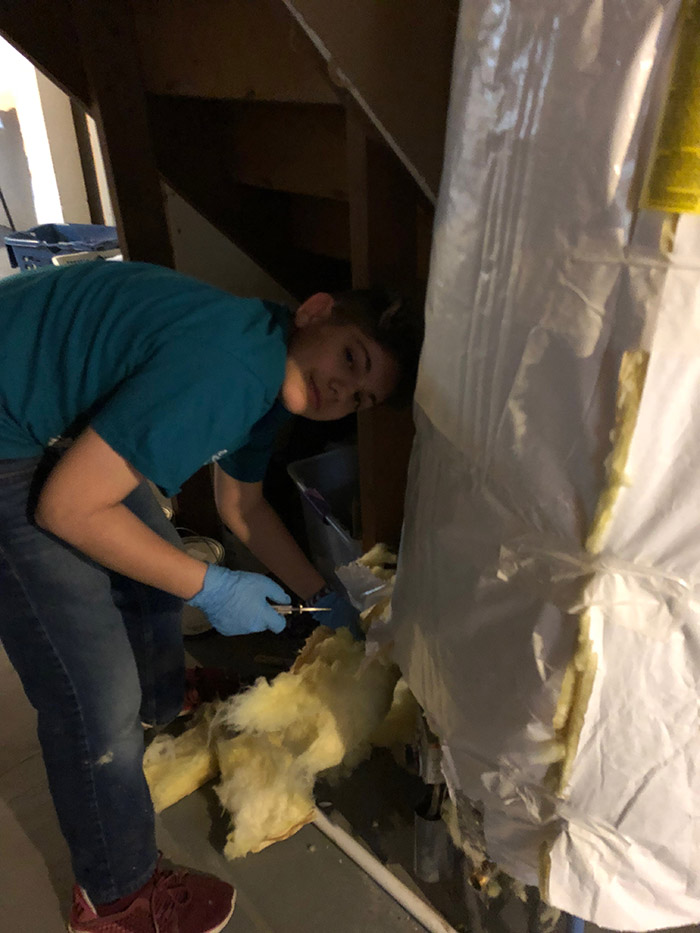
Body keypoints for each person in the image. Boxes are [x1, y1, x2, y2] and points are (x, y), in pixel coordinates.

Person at [0, 258, 422, 933]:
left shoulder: (267, 365)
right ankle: (116, 898)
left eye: (361, 397)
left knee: (150, 565)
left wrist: (323, 597)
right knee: (94, 689)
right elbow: (67, 508)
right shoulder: (234, 367)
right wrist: (212, 585)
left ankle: (163, 700)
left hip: (33, 398)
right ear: (316, 310)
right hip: (5, 431)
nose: (343, 389)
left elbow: (242, 506)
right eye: (352, 357)